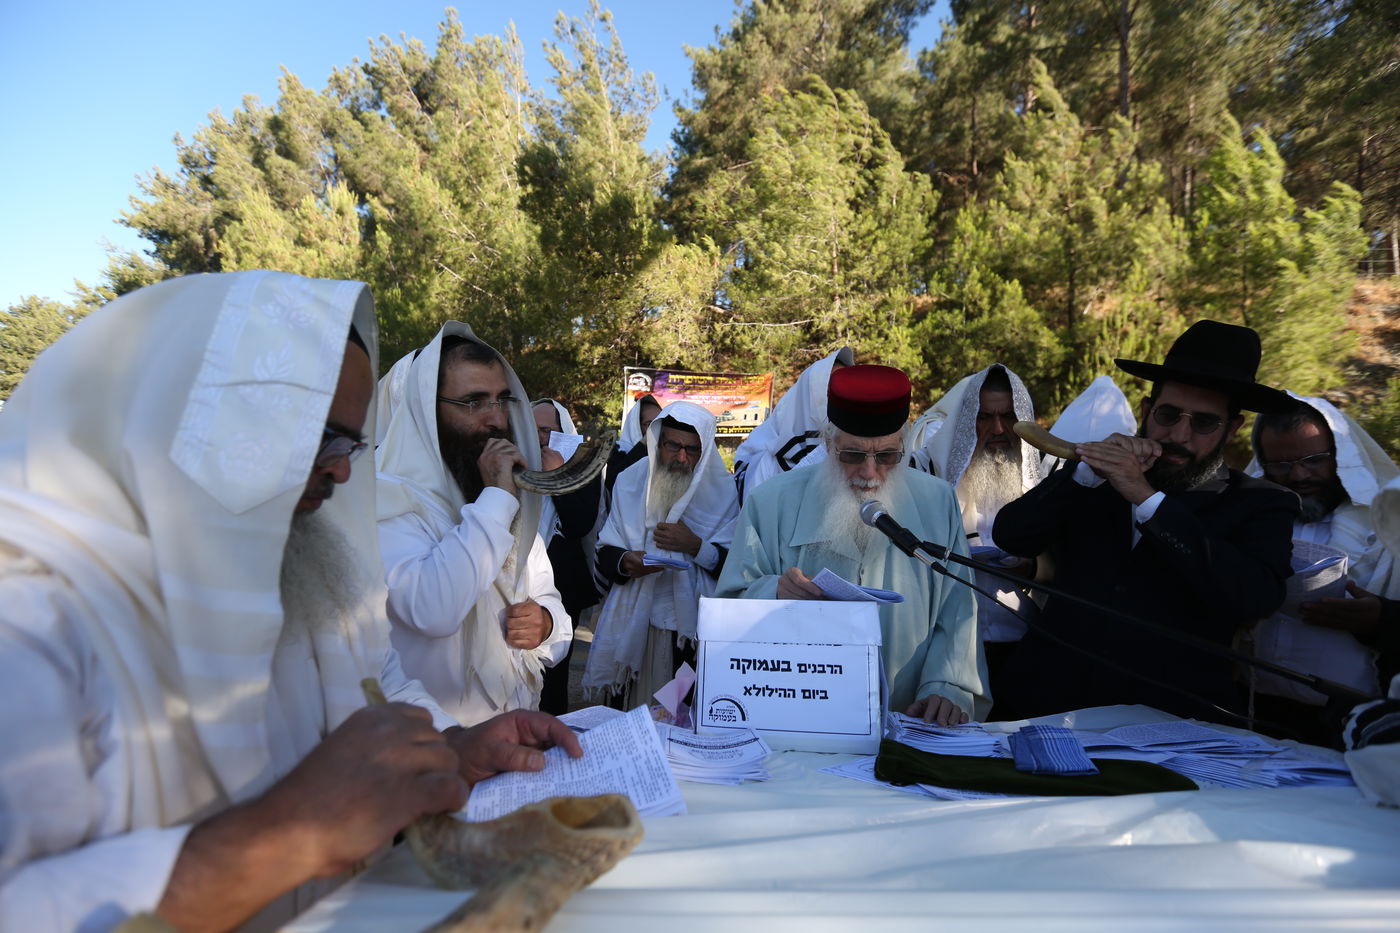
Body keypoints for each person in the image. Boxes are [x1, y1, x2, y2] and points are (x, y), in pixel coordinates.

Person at [0, 272, 580, 932]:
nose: (340, 470)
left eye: (351, 442)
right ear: (194, 418)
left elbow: (373, 674)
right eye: (319, 436)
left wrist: (453, 744)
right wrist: (288, 832)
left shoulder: (302, 548)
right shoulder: (30, 617)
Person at [993, 320, 1298, 723]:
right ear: (1146, 410)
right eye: (1168, 414)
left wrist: (1146, 497)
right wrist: (1087, 472)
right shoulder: (1094, 481)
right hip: (1043, 705)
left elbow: (1254, 596)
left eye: (1204, 422)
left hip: (1171, 722)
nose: (1180, 434)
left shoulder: (1260, 502)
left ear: (1232, 429)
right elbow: (1012, 535)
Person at [716, 365, 989, 726]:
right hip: (800, 718)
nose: (870, 473)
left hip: (911, 719)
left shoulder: (936, 501)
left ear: (903, 447)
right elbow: (730, 604)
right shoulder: (770, 502)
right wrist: (775, 592)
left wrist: (947, 687)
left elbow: (957, 610)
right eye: (853, 455)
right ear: (829, 445)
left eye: (887, 456)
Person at [376, 324, 572, 726]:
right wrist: (497, 498)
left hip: (514, 738)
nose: (496, 419)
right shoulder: (385, 499)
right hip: (439, 748)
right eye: (473, 402)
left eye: (502, 400)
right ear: (427, 411)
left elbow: (548, 598)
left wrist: (546, 623)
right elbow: (433, 610)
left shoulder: (498, 493)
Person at [1245, 394, 1399, 738]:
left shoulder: (1391, 523)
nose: (1299, 475)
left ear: (1341, 456)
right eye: (1281, 465)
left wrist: (1383, 618)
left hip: (1357, 725)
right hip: (1251, 712)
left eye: (1314, 460)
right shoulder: (1249, 519)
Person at [584, 402, 739, 707]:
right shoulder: (631, 480)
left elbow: (736, 568)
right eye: (673, 446)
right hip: (635, 623)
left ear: (705, 451)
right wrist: (626, 562)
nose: (682, 458)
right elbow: (606, 549)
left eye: (692, 450)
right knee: (631, 712)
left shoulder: (723, 493)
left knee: (679, 711)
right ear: (657, 441)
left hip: (692, 632)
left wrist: (695, 546)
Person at [910, 364, 1043, 689]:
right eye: (984, 417)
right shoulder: (927, 471)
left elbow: (1070, 556)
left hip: (1026, 642)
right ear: (966, 420)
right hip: (949, 645)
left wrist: (1031, 567)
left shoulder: (1047, 475)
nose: (998, 428)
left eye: (1009, 416)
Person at [532, 398, 604, 714]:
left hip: (562, 589)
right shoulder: (515, 465)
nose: (539, 438)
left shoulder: (581, 470)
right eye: (531, 429)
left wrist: (558, 476)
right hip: (515, 584)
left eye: (546, 431)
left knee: (553, 673)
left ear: (564, 434)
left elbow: (579, 524)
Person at [732, 347, 853, 504]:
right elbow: (757, 522)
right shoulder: (768, 463)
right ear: (809, 395)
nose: (841, 393)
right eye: (833, 385)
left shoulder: (857, 452)